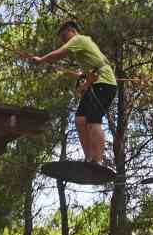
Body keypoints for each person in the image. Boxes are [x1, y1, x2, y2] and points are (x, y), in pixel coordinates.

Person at [31, 21, 117, 165]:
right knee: (80, 120)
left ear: (72, 31)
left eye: (65, 37)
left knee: (93, 121)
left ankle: (98, 160)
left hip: (105, 83)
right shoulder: (84, 45)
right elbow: (92, 71)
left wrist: (41, 60)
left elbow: (59, 53)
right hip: (95, 83)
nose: (65, 41)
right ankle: (89, 158)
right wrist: (86, 83)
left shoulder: (79, 39)